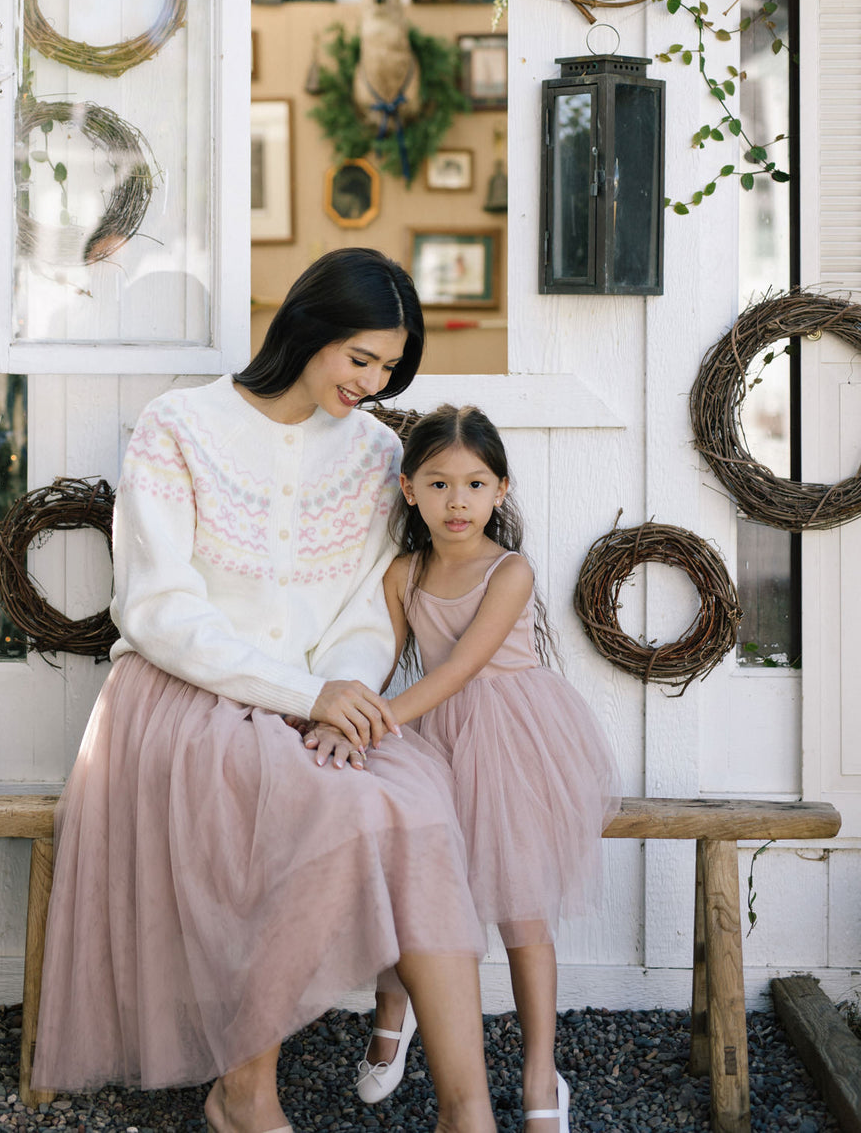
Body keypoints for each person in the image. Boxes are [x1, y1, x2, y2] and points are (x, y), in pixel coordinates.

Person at [31, 250, 498, 1133]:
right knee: (331, 810)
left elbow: (371, 606)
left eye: (389, 369)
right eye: (360, 358)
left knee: (421, 809)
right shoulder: (178, 426)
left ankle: (465, 1113)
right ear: (307, 327)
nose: (372, 382)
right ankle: (244, 1091)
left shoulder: (377, 454)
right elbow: (158, 609)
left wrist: (346, 698)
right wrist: (300, 695)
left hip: (326, 699)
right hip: (180, 697)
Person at [346, 404, 620, 1133]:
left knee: (522, 915)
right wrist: (351, 716)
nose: (456, 501)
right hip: (430, 737)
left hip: (514, 746)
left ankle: (540, 1072)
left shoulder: (511, 569)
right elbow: (376, 663)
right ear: (409, 490)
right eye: (438, 485)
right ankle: (393, 1009)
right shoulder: (402, 573)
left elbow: (463, 669)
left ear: (501, 489)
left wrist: (376, 720)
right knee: (412, 883)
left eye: (473, 484)